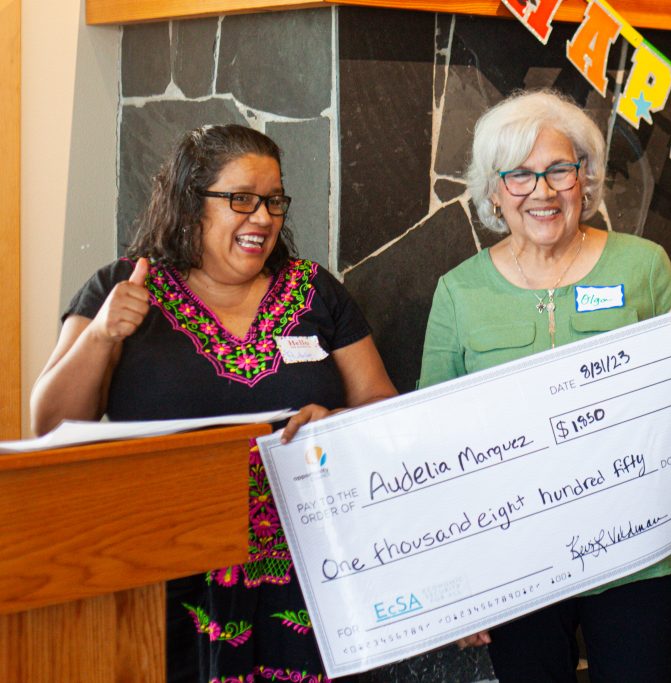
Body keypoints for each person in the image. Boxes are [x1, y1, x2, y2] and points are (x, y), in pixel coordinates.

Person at [31, 124, 397, 683]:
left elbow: (381, 407)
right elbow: (49, 424)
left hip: (309, 568)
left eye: (274, 201)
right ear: (189, 203)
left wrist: (339, 422)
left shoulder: (317, 291)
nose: (263, 218)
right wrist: (102, 334)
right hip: (165, 573)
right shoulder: (123, 286)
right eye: (241, 199)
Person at [418, 90, 671, 682]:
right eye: (520, 175)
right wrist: (456, 579)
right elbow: (437, 448)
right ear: (493, 189)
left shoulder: (644, 265)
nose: (542, 190)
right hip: (518, 560)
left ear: (585, 179)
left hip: (641, 550)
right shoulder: (459, 291)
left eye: (560, 169)